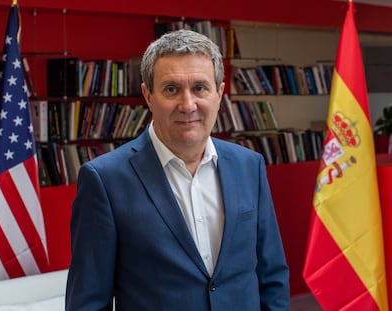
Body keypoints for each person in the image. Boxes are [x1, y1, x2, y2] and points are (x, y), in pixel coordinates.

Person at [65, 29, 290, 310]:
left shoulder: (249, 165)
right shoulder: (105, 180)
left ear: (219, 93)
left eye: (199, 88)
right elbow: (88, 301)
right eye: (172, 89)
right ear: (148, 95)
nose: (188, 105)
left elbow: (272, 277)